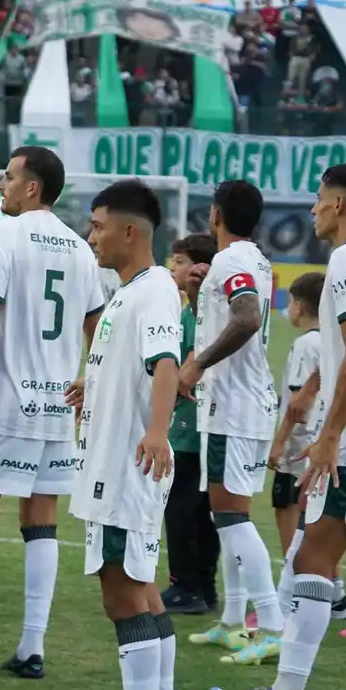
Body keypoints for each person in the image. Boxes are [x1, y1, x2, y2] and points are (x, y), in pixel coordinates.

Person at [211, 161, 346, 690]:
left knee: (310, 560)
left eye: (319, 198)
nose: (313, 208)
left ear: (341, 204)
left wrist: (330, 435)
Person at [0, 145, 104, 681]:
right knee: (41, 523)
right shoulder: (82, 249)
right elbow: (97, 330)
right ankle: (31, 649)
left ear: (32, 187)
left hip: (3, 405)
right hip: (59, 410)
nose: (0, 185)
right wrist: (93, 381)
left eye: (9, 177)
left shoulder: (4, 235)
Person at [66, 179, 182, 690]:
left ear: (128, 231)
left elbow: (165, 363)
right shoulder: (132, 290)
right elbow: (139, 364)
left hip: (122, 467)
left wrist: (157, 431)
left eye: (97, 226)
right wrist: (94, 384)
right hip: (119, 462)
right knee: (142, 590)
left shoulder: (154, 287)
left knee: (122, 595)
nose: (91, 237)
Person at [180, 180, 281, 665]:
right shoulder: (255, 260)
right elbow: (236, 310)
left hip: (233, 406)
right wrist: (206, 288)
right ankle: (234, 621)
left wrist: (197, 363)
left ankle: (273, 624)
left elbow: (246, 318)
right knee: (229, 517)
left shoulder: (232, 260)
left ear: (215, 215)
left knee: (232, 517)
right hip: (244, 403)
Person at [268, 274, 346, 623]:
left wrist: (278, 443)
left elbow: (297, 404)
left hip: (300, 445)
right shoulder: (333, 343)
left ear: (299, 305)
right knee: (320, 521)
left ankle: (291, 597)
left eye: (289, 302)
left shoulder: (306, 345)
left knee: (291, 515)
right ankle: (336, 595)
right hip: (322, 440)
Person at [160, 232, 221, 616]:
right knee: (201, 512)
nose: (173, 268)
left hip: (190, 427)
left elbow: (191, 360)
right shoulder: (188, 309)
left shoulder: (199, 311)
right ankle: (205, 586)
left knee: (181, 509)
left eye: (180, 261)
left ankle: (186, 587)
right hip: (198, 425)